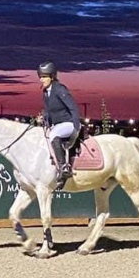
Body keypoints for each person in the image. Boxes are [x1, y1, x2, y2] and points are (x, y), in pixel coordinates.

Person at [38, 61, 82, 190]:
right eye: (40, 76)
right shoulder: (46, 92)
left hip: (69, 123)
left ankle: (63, 168)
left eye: (44, 76)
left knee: (53, 134)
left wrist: (76, 126)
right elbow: (48, 112)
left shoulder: (60, 89)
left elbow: (73, 107)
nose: (41, 79)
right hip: (57, 125)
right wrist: (43, 118)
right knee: (46, 136)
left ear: (52, 76)